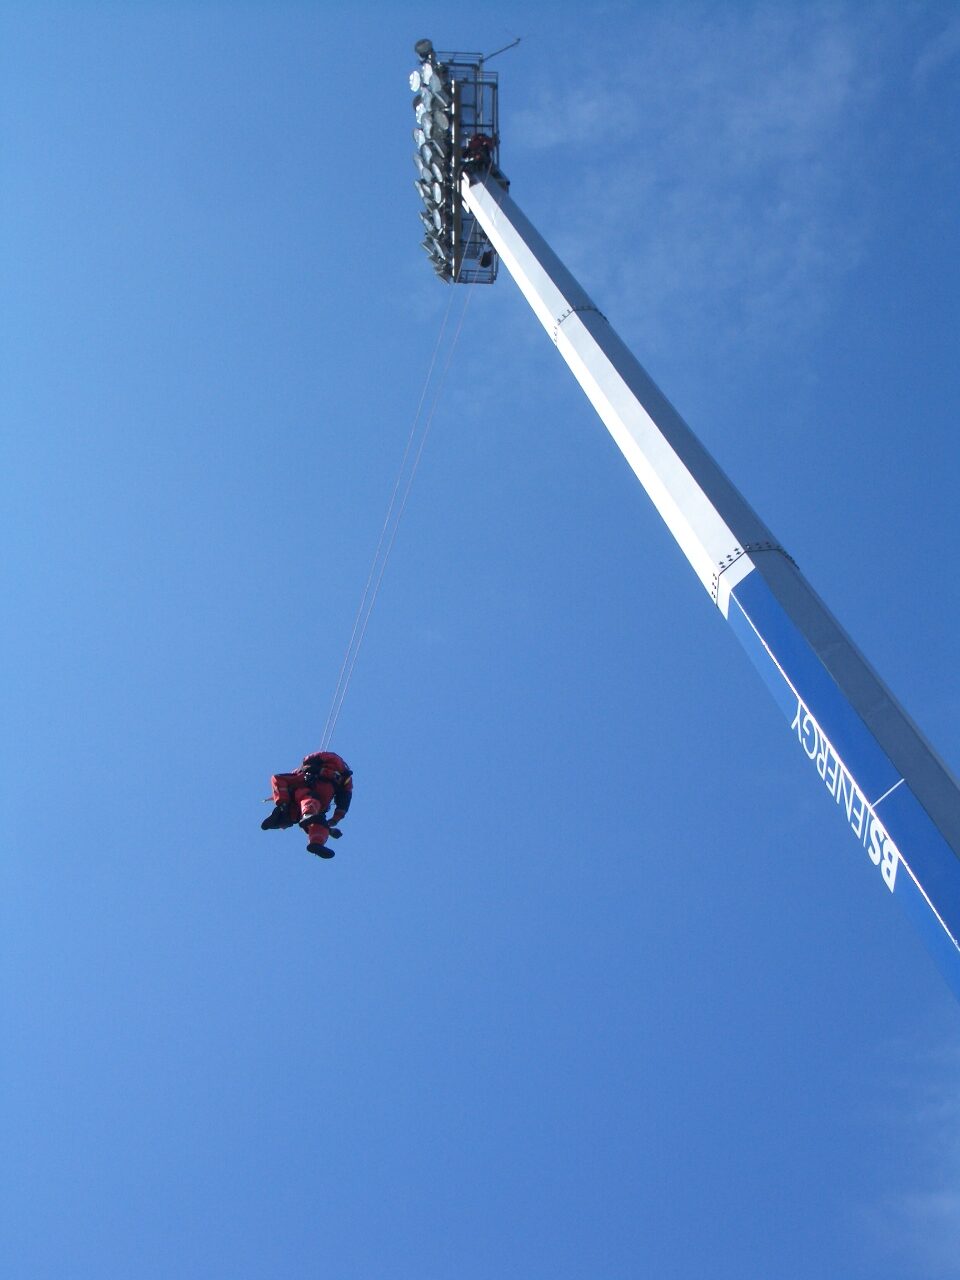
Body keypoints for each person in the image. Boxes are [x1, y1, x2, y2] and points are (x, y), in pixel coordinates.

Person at [261, 750, 353, 859]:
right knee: (317, 821)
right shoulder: (345, 777)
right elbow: (344, 801)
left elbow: (281, 778)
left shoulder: (325, 763)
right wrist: (334, 820)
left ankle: (284, 813)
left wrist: (282, 800)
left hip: (310, 789)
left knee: (307, 802)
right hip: (321, 799)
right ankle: (316, 842)